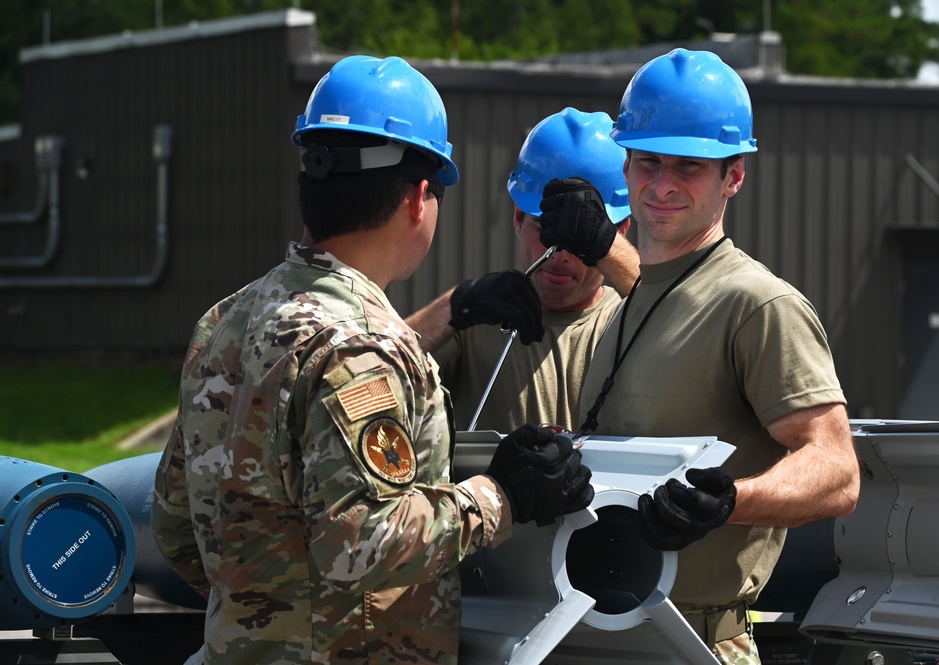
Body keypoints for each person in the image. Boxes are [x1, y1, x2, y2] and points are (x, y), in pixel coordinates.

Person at [151, 55, 592, 665]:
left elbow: (175, 520)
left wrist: (267, 616)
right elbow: (365, 539)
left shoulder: (225, 321)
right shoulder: (361, 349)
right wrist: (502, 495)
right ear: (419, 198)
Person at [541, 49, 861, 664]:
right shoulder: (629, 305)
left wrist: (730, 501)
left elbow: (837, 470)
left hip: (696, 641)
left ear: (734, 176)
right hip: (598, 632)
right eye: (648, 161)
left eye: (689, 166)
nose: (661, 185)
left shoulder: (757, 303)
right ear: (625, 165)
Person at [406, 107, 639, 433]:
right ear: (518, 219)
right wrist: (452, 306)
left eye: (581, 237)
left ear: (620, 233)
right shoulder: (474, 321)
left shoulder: (635, 324)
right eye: (546, 228)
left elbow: (686, 336)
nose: (559, 255)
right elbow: (368, 373)